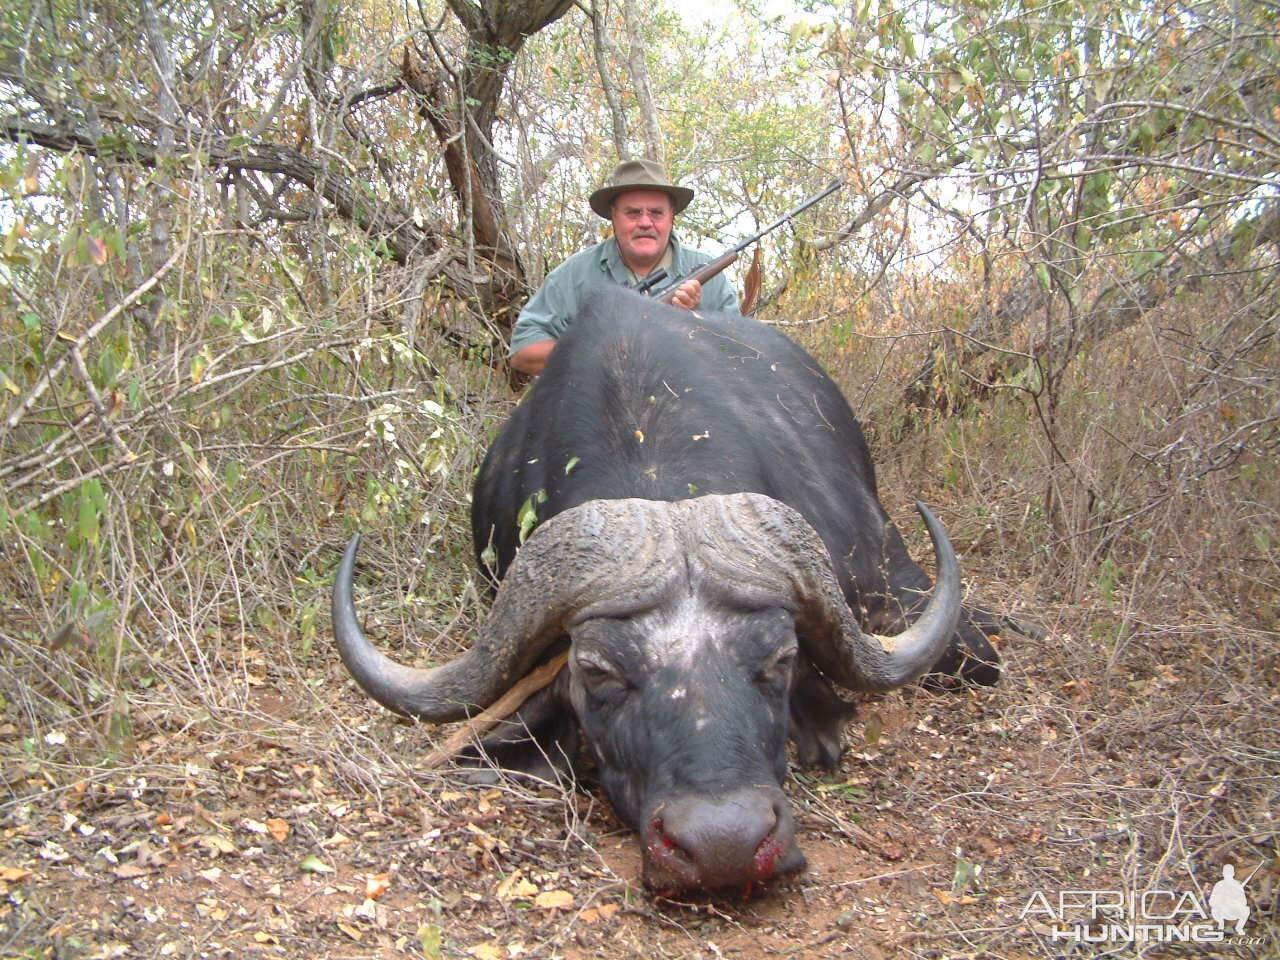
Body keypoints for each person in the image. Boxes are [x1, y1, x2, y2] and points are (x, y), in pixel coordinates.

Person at [509, 159, 739, 375]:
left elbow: (738, 356)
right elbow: (523, 352)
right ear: (613, 216)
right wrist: (602, 350)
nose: (646, 222)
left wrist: (690, 326)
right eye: (633, 212)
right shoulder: (574, 275)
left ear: (672, 218)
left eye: (656, 213)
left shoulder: (711, 276)